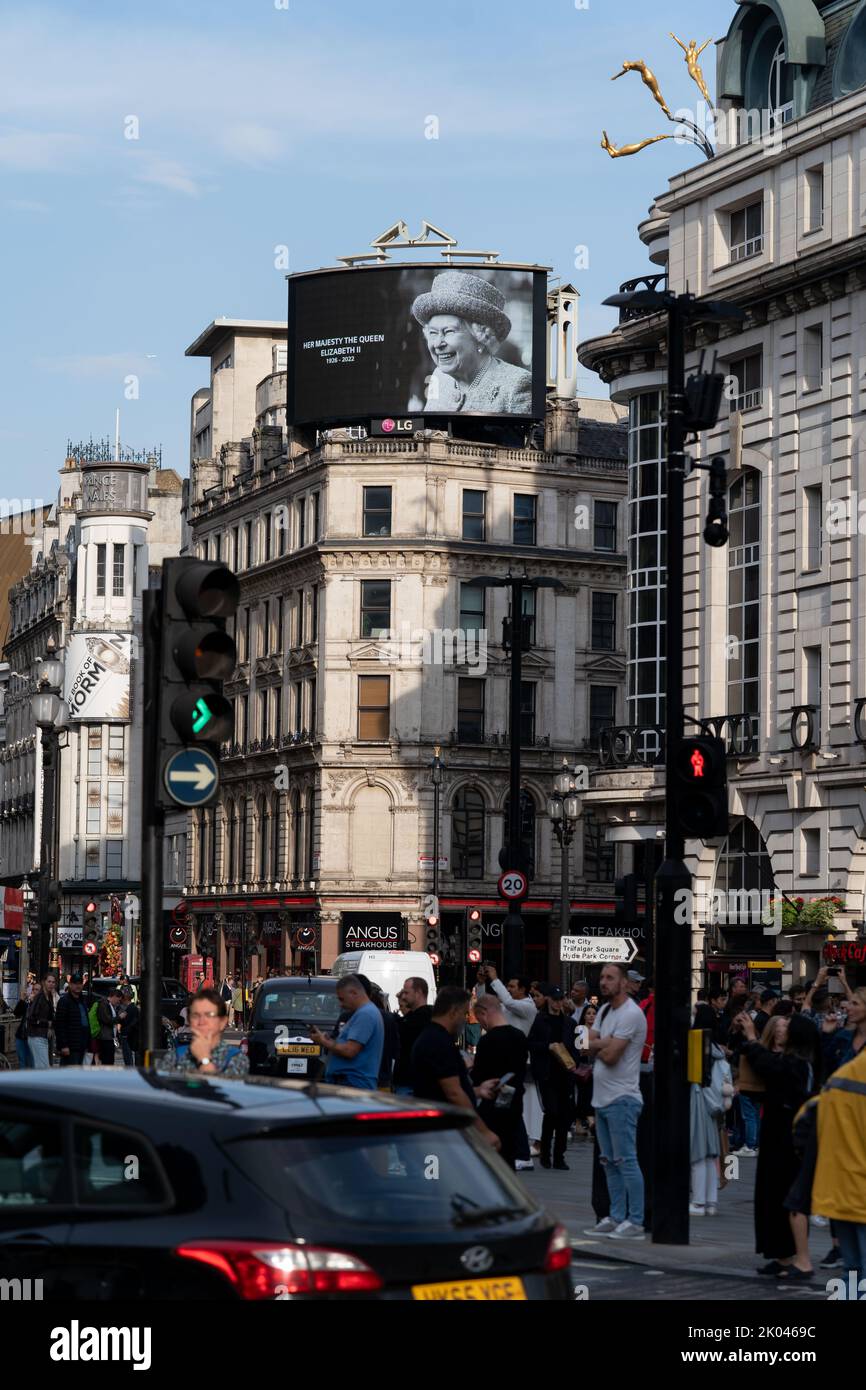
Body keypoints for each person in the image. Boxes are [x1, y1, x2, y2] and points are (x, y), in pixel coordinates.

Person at [732, 1010, 821, 1278]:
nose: (784, 1029)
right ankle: (782, 1257)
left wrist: (751, 1038)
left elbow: (769, 1066)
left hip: (791, 1138)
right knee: (771, 1196)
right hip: (777, 1134)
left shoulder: (799, 1064)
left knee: (788, 1197)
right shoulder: (793, 1061)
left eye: (789, 1026)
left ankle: (800, 1259)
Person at [584, 962, 648, 1240]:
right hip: (602, 1098)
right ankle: (616, 1216)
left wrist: (601, 1044)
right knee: (609, 1161)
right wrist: (603, 1042)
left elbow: (611, 1056)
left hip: (623, 1098)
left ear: (624, 982)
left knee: (626, 1160)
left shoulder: (631, 1015)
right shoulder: (605, 1010)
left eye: (610, 978)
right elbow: (587, 1044)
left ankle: (635, 1220)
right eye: (602, 978)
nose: (604, 982)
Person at [410, 270, 533, 415]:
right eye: (433, 333)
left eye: (449, 331)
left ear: (481, 337)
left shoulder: (517, 385)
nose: (437, 344)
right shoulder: (439, 377)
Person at [410, 986, 500, 1149]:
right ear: (453, 1011)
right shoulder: (438, 1042)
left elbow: (443, 1089)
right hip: (438, 1136)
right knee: (435, 1174)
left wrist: (477, 1091)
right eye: (464, 1013)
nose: (465, 1019)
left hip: (440, 1133)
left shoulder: (435, 1038)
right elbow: (453, 1093)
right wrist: (483, 1131)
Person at [810, 1043, 866, 1284]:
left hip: (841, 1183)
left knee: (852, 1268)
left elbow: (805, 1120)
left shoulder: (841, 1077)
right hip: (856, 1184)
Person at [471, 992, 528, 1168]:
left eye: (478, 1018)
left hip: (492, 1107)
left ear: (483, 1013)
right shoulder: (520, 1037)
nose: (480, 1023)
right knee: (508, 1156)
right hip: (514, 1103)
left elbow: (478, 1077)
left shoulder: (487, 1041)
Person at [528, 982, 579, 1171]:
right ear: (549, 999)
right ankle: (546, 1154)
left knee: (564, 1116)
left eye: (561, 999)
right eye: (555, 999)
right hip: (547, 1074)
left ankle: (559, 1156)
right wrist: (547, 1047)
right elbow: (531, 1044)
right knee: (552, 1112)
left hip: (565, 1074)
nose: (558, 1003)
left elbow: (577, 1048)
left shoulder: (570, 1023)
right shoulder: (540, 1020)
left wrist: (574, 1063)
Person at [308, 975, 383, 1091]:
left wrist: (323, 1041)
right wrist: (329, 1040)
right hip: (351, 1083)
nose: (340, 1004)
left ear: (354, 993)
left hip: (353, 1084)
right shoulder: (363, 1013)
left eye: (342, 999)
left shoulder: (365, 1014)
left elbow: (350, 1051)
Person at [160, 989, 249, 1075]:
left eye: (209, 1015)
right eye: (196, 1015)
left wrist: (204, 1060)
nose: (202, 1021)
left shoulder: (236, 1059)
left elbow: (225, 1089)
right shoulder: (175, 1057)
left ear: (222, 1022)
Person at [690, 1042, 733, 1216]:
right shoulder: (721, 1058)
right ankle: (710, 1201)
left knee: (699, 1155)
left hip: (701, 1105)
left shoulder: (699, 1052)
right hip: (716, 1111)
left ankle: (699, 1202)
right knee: (710, 1155)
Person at [392, 976, 433, 1096]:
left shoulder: (422, 1018)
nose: (404, 996)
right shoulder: (412, 1018)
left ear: (418, 992)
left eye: (406, 992)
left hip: (410, 1083)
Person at [821, 986, 866, 1076]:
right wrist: (826, 1033)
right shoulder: (843, 1035)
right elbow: (825, 1064)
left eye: (855, 1004)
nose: (848, 1008)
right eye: (849, 1003)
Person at [53, 973, 91, 1066]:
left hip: (82, 1044)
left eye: (80, 983)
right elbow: (60, 1024)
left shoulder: (82, 1000)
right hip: (70, 1046)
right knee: (69, 1074)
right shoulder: (64, 1001)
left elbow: (85, 1022)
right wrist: (64, 1045)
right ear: (70, 985)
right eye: (75, 983)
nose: (78, 986)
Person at [26, 971, 58, 1068]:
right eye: (49, 981)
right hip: (36, 1036)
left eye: (53, 982)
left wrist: (51, 1026)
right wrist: (47, 1024)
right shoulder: (39, 997)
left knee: (42, 1067)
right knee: (43, 1068)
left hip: (43, 1036)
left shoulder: (49, 997)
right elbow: (31, 1018)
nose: (51, 984)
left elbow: (51, 1018)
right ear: (44, 982)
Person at [117, 987, 141, 1066]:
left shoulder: (130, 1009)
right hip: (131, 1036)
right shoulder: (133, 1008)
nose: (119, 998)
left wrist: (124, 1031)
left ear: (125, 997)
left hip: (127, 1036)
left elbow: (129, 1022)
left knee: (128, 1059)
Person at [13, 987, 34, 1069]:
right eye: (33, 990)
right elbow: (16, 1013)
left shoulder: (41, 1004)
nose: (34, 992)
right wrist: (22, 1000)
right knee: (22, 1061)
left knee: (30, 1062)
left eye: (37, 990)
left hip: (32, 1037)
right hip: (21, 1036)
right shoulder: (27, 1005)